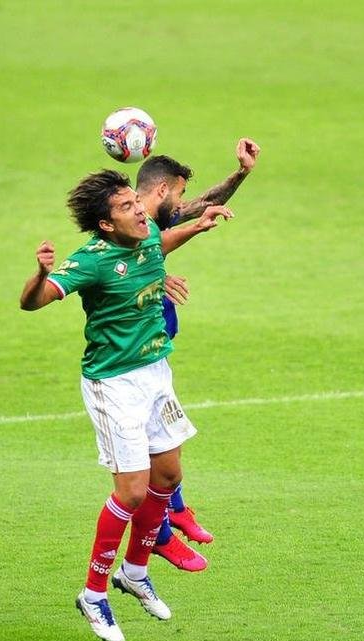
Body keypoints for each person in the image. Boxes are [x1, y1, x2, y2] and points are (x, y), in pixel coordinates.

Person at [20, 169, 232, 641]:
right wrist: (40, 274)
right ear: (106, 225)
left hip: (156, 374)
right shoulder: (91, 261)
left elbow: (160, 242)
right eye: (125, 207)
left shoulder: (148, 234)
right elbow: (32, 303)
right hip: (114, 385)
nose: (139, 209)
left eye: (134, 202)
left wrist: (197, 225)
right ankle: (94, 593)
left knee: (169, 478)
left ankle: (134, 572)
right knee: (132, 493)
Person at [133, 139, 261, 571]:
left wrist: (241, 174)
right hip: (130, 354)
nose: (186, 201)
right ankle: (161, 534)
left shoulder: (154, 219)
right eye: (181, 193)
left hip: (154, 345)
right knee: (157, 446)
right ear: (163, 189)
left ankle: (175, 510)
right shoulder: (127, 224)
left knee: (166, 435)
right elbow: (117, 263)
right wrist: (153, 276)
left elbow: (202, 207)